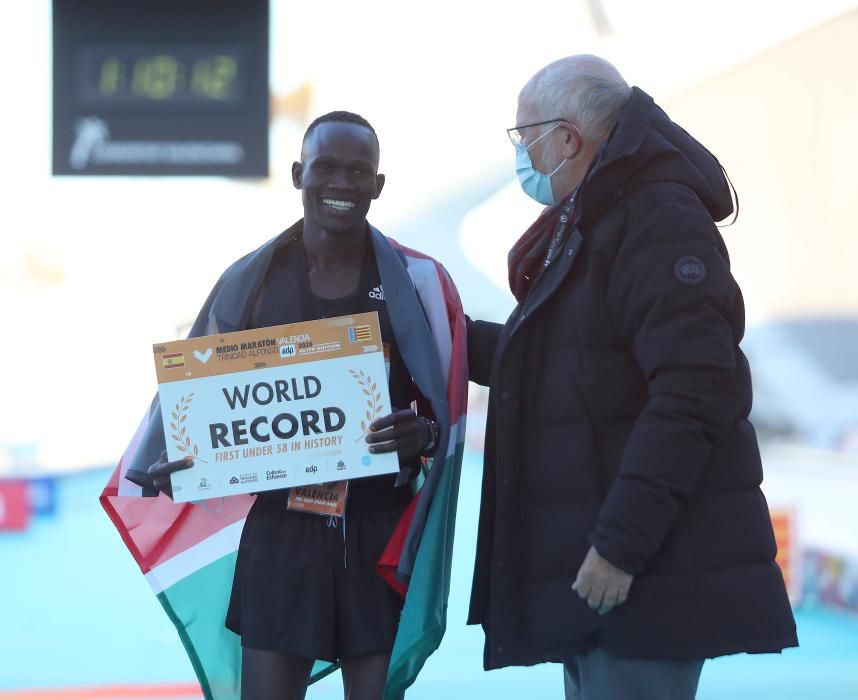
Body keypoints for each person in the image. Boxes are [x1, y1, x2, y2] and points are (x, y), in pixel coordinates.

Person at [465, 55, 798, 699]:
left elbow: (694, 390)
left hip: (645, 578)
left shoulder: (655, 218)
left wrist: (620, 545)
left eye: (523, 133)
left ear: (567, 138)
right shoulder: (598, 216)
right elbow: (561, 364)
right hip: (607, 581)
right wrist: (447, 335)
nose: (520, 153)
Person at [121, 111, 467, 700]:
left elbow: (445, 402)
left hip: (378, 522)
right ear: (297, 174)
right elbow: (198, 406)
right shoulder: (249, 283)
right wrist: (179, 459)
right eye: (327, 168)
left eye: (359, 172)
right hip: (283, 529)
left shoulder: (417, 283)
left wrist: (425, 435)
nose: (342, 184)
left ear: (378, 186)